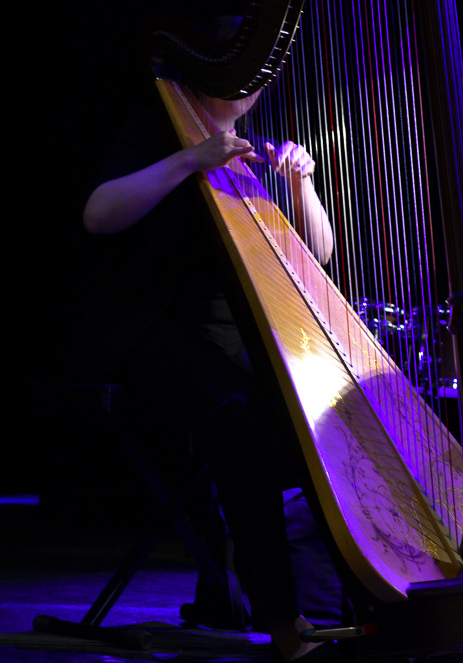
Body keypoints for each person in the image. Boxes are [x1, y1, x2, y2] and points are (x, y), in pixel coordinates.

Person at [75, 67, 334, 661]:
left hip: (232, 340)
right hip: (151, 330)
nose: (251, 89)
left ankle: (335, 600)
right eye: (239, 74)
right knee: (239, 407)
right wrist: (191, 160)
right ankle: (281, 619)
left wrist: (303, 186)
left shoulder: (256, 152)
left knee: (318, 406)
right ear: (206, 73)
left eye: (261, 78)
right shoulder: (157, 131)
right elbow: (98, 213)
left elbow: (316, 255)